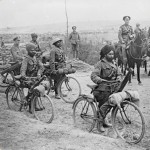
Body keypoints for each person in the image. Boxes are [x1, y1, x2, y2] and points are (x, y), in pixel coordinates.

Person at [91, 45, 121, 132]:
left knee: (111, 104)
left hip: (112, 87)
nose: (112, 56)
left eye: (113, 54)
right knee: (103, 106)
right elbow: (93, 76)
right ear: (105, 55)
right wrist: (100, 80)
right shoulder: (100, 64)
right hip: (102, 89)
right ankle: (99, 124)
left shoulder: (114, 63)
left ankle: (104, 120)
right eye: (110, 54)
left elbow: (119, 73)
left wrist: (119, 77)